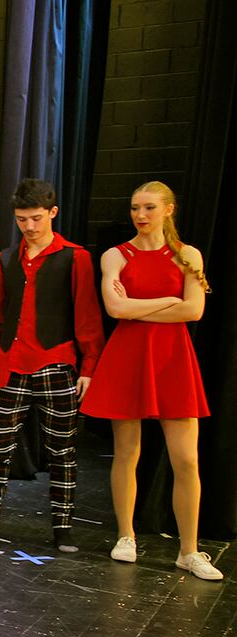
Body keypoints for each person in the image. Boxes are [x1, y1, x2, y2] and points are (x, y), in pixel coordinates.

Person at [80, 181, 220, 580]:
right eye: (135, 208)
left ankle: (189, 551)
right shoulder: (115, 255)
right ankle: (126, 536)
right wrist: (166, 302)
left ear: (168, 209)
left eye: (149, 208)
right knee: (126, 453)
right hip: (128, 357)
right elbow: (113, 306)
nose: (141, 215)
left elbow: (193, 311)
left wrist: (137, 308)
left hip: (173, 360)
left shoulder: (186, 254)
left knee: (187, 460)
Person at [0, 179, 104, 552]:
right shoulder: (4, 260)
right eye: (21, 219)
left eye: (36, 218)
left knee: (62, 451)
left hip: (57, 363)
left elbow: (88, 317)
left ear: (52, 213)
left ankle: (62, 527)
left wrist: (89, 367)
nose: (28, 226)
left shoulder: (75, 258)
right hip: (9, 364)